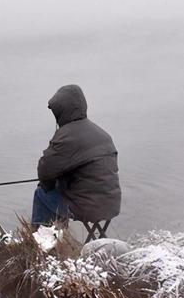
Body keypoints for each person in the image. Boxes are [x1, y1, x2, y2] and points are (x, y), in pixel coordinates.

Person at [32, 84, 121, 228]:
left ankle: (43, 241)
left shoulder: (66, 136)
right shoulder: (102, 133)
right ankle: (59, 238)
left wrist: (47, 185)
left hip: (88, 208)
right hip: (111, 204)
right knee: (56, 188)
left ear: (61, 110)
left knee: (42, 193)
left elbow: (45, 171)